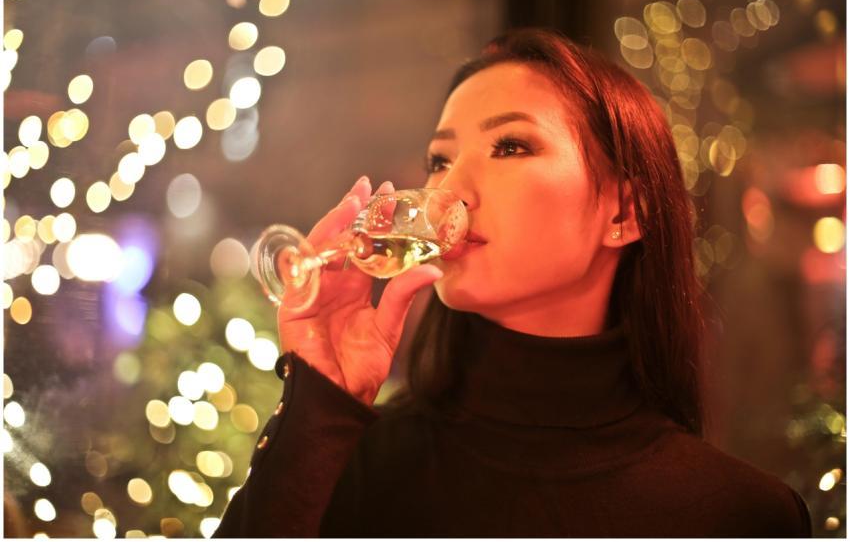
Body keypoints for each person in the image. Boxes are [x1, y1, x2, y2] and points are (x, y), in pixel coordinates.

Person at [214, 28, 811, 537]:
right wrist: (316, 406)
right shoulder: (354, 461)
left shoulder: (738, 515)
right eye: (440, 160)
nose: (449, 192)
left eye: (510, 145)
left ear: (624, 213)